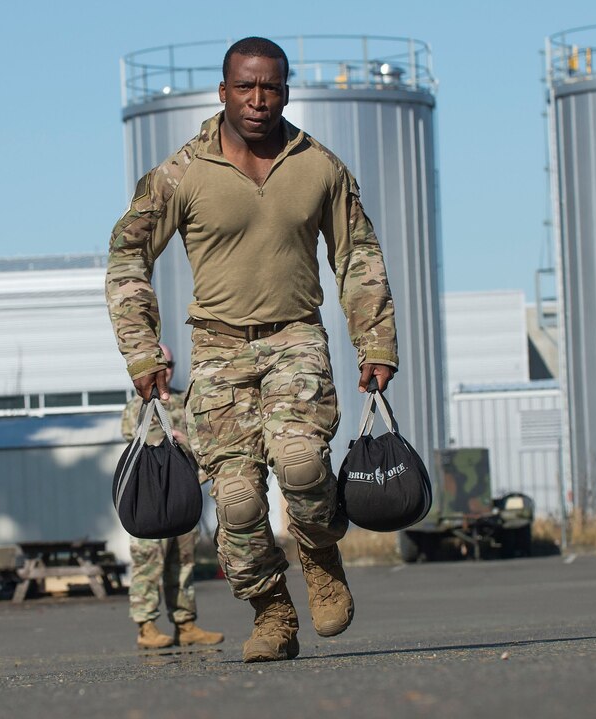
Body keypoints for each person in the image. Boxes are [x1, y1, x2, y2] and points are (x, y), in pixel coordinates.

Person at [105, 36, 398, 663]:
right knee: (236, 500)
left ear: (286, 92)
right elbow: (128, 254)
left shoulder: (319, 166)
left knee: (299, 463)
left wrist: (375, 340)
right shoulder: (181, 173)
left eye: (270, 88)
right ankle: (271, 612)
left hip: (296, 338)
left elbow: (358, 255)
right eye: (245, 87)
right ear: (223, 92)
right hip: (216, 351)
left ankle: (319, 553)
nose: (258, 100)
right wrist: (142, 350)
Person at [120, 344, 225, 650]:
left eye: (169, 364)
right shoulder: (135, 406)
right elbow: (135, 445)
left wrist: (185, 440)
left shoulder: (185, 403)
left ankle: (185, 623)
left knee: (184, 561)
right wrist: (163, 440)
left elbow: (206, 439)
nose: (165, 369)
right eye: (159, 363)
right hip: (151, 499)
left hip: (181, 495)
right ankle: (146, 626)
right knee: (148, 560)